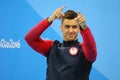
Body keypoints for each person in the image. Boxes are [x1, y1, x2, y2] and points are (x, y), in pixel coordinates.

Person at [25, 6, 97, 80]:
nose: (71, 30)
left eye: (74, 27)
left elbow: (92, 52)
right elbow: (30, 39)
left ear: (79, 29)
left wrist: (84, 27)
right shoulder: (51, 46)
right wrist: (50, 19)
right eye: (67, 27)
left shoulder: (84, 50)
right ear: (61, 28)